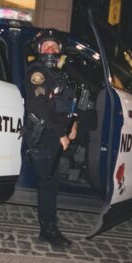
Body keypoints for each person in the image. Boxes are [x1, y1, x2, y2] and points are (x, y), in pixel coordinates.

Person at [22, 29, 78, 249]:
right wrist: (62, 133)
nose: (51, 50)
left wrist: (73, 126)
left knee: (52, 184)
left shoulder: (60, 75)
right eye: (46, 46)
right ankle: (48, 231)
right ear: (39, 50)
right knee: (48, 184)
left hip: (55, 135)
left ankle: (49, 227)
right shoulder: (38, 73)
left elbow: (67, 106)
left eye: (54, 46)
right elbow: (40, 108)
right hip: (45, 135)